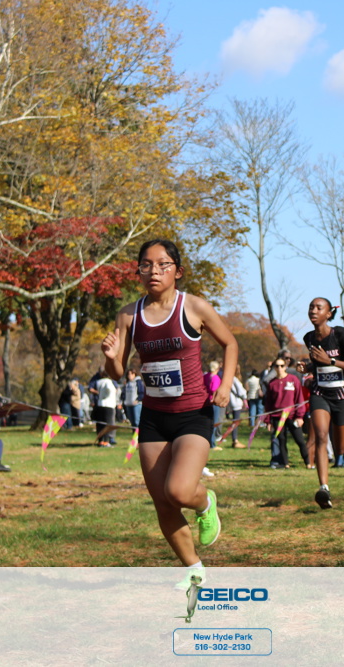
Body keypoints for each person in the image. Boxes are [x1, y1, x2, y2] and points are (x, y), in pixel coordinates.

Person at [101, 239, 237, 590]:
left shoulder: (193, 307)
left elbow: (230, 343)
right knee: (162, 502)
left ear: (178, 271)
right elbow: (117, 372)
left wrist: (225, 385)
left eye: (163, 265)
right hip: (153, 417)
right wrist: (110, 358)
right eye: (146, 265)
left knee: (178, 491)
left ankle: (205, 502)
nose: (154, 271)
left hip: (193, 414)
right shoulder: (128, 315)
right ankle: (194, 568)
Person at [304, 297, 344, 508]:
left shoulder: (340, 335)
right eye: (311, 307)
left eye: (319, 308)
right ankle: (324, 489)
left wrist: (330, 360)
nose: (313, 310)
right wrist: (307, 367)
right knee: (320, 436)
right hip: (320, 393)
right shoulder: (309, 338)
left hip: (342, 396)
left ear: (328, 314)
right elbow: (317, 364)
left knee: (340, 449)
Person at [263, 356, 308, 468]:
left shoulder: (293, 379)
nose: (279, 368)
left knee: (300, 440)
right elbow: (268, 404)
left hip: (292, 416)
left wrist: (300, 416)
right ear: (274, 367)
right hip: (277, 417)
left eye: (282, 366)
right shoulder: (272, 383)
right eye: (277, 366)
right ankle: (285, 463)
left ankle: (308, 462)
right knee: (281, 440)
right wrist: (268, 421)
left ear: (285, 367)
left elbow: (299, 398)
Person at [93, 370, 118, 447]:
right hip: (108, 405)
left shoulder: (98, 382)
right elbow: (109, 389)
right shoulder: (108, 382)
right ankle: (106, 442)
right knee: (107, 425)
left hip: (100, 404)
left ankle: (100, 441)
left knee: (100, 424)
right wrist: (107, 395)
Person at [227, 366, 247, 448]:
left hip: (232, 402)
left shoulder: (228, 379)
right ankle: (235, 440)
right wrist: (245, 397)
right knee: (235, 423)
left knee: (235, 422)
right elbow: (241, 391)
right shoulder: (234, 379)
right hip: (236, 403)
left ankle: (235, 440)